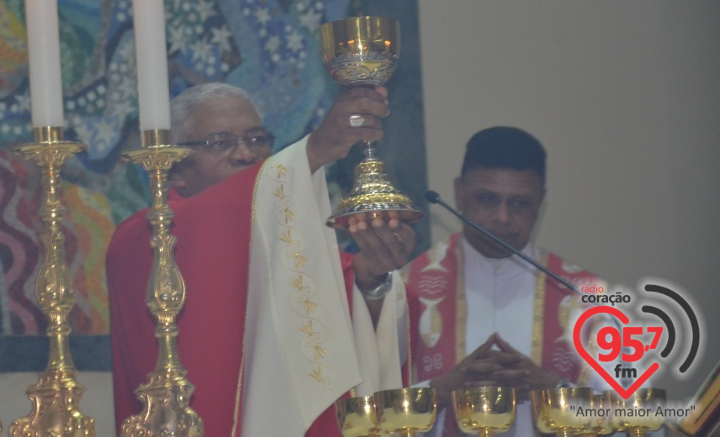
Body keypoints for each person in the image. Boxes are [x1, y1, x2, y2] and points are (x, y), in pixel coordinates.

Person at [107, 82, 417, 437]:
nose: (246, 154)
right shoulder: (142, 239)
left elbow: (347, 300)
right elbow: (210, 225)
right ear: (174, 168)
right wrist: (314, 150)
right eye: (220, 143)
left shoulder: (287, 244)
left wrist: (371, 279)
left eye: (257, 140)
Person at [404, 126, 609, 437]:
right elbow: (368, 414)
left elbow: (634, 417)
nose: (501, 217)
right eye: (487, 199)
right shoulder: (406, 291)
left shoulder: (586, 296)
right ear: (459, 193)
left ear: (540, 201)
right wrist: (440, 393)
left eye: (519, 203)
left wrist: (554, 390)